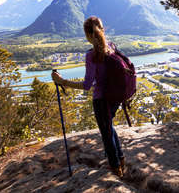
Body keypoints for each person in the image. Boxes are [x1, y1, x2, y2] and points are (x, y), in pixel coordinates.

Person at [51, 16, 125, 177]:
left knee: (106, 133)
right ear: (102, 29)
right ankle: (120, 159)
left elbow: (87, 85)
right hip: (115, 97)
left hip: (101, 99)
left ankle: (115, 168)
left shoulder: (91, 55)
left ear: (87, 35)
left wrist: (63, 81)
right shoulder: (112, 47)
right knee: (109, 127)